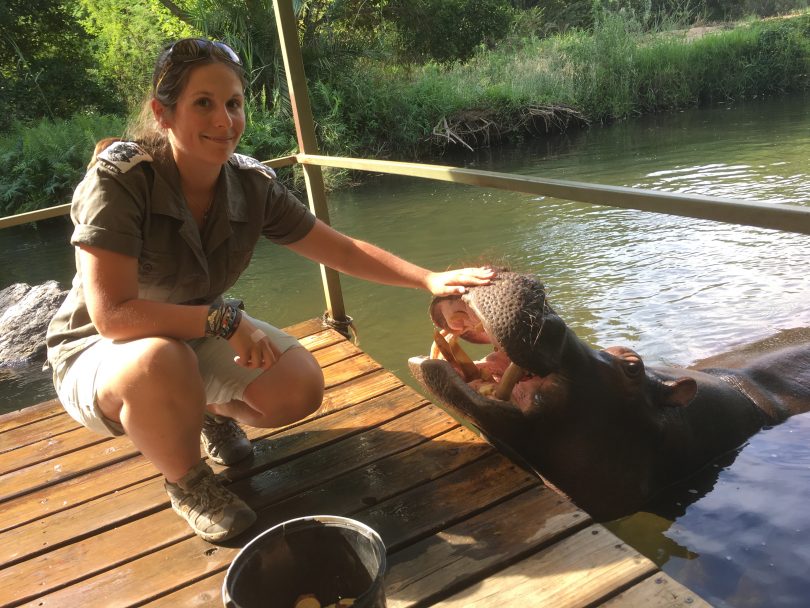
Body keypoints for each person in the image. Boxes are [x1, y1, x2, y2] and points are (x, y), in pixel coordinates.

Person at [45, 38, 495, 543]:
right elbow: (113, 316)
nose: (224, 120)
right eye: (204, 103)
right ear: (163, 113)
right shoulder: (121, 179)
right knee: (159, 361)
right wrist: (225, 322)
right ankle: (189, 483)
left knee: (298, 387)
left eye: (233, 103)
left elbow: (340, 250)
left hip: (191, 331)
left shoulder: (248, 183)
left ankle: (202, 413)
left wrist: (427, 279)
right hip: (102, 349)